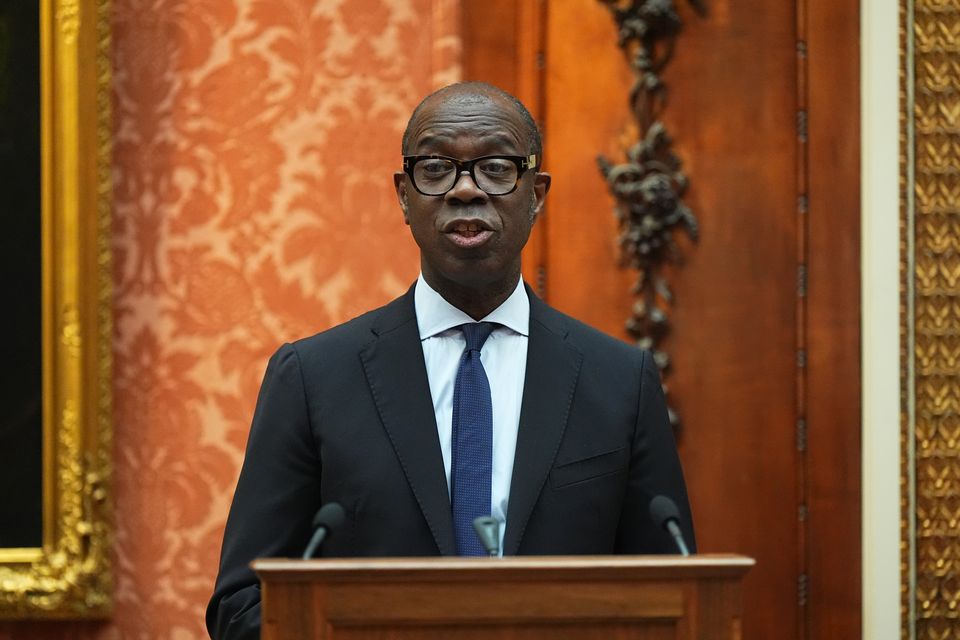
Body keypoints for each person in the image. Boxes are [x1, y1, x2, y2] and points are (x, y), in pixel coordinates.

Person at [206, 82, 695, 640]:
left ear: (536, 194)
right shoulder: (314, 378)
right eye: (436, 167)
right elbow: (241, 605)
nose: (466, 190)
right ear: (403, 196)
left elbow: (671, 598)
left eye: (495, 166)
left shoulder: (619, 381)